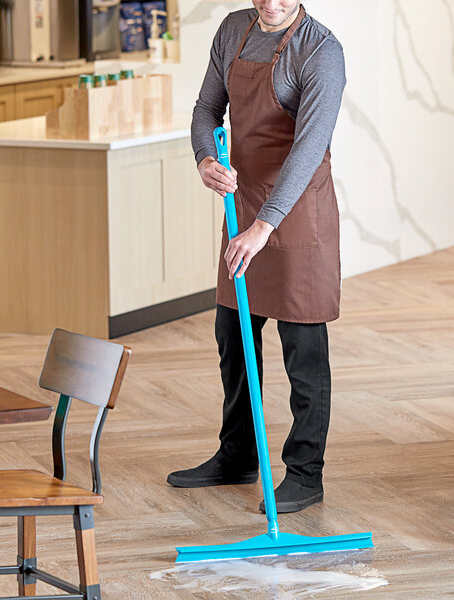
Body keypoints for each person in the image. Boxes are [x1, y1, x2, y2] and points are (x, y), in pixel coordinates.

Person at [167, 0, 346, 514]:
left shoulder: (321, 51)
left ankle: (306, 474)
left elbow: (310, 146)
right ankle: (237, 454)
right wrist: (205, 157)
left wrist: (264, 226)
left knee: (303, 350)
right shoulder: (233, 30)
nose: (271, 3)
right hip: (242, 205)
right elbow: (207, 108)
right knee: (232, 333)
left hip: (296, 213)